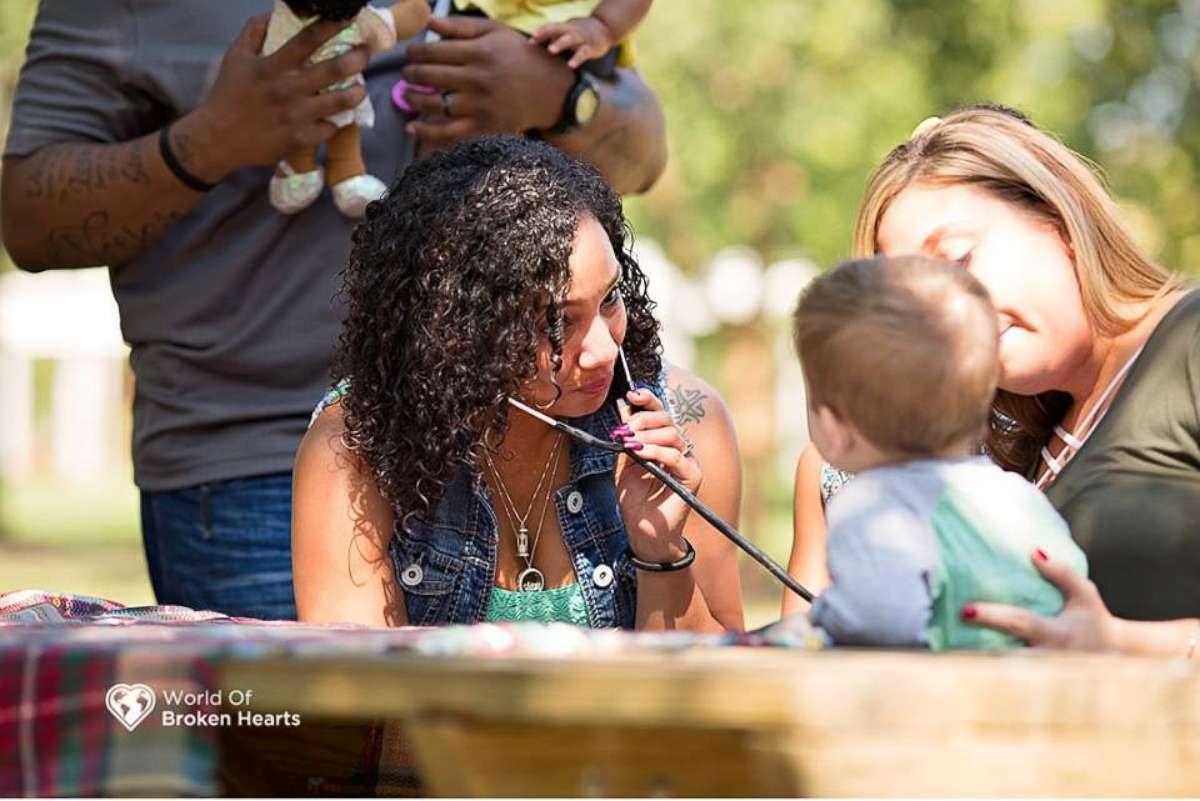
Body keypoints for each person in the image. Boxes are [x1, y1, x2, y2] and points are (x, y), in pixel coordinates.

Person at [0, 1, 668, 620]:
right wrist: (211, 140)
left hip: (523, 431)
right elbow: (28, 221)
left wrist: (564, 100)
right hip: (254, 448)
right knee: (326, 746)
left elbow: (647, 154)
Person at [292, 136, 744, 631]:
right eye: (557, 323)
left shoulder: (686, 422)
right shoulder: (356, 445)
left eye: (610, 298)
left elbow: (722, 692)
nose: (604, 350)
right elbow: (362, 694)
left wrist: (661, 553)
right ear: (457, 330)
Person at [846, 104, 1200, 657]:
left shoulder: (1189, 342)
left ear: (1061, 215)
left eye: (959, 260)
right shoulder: (1028, 451)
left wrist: (1123, 643)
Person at [791, 254, 1087, 648]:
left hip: (944, 702)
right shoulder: (1018, 494)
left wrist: (823, 621)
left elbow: (878, 626)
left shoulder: (871, 505)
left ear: (833, 428)